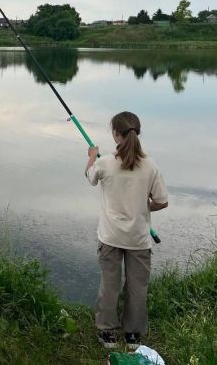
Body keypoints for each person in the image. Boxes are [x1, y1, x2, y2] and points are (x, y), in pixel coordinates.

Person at [85, 111, 169, 350]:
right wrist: (145, 208)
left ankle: (107, 333)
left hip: (110, 236)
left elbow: (90, 177)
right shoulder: (151, 166)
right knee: (137, 286)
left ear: (115, 134)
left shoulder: (105, 163)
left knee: (109, 285)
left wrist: (91, 156)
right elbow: (162, 201)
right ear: (137, 133)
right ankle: (133, 336)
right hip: (139, 238)